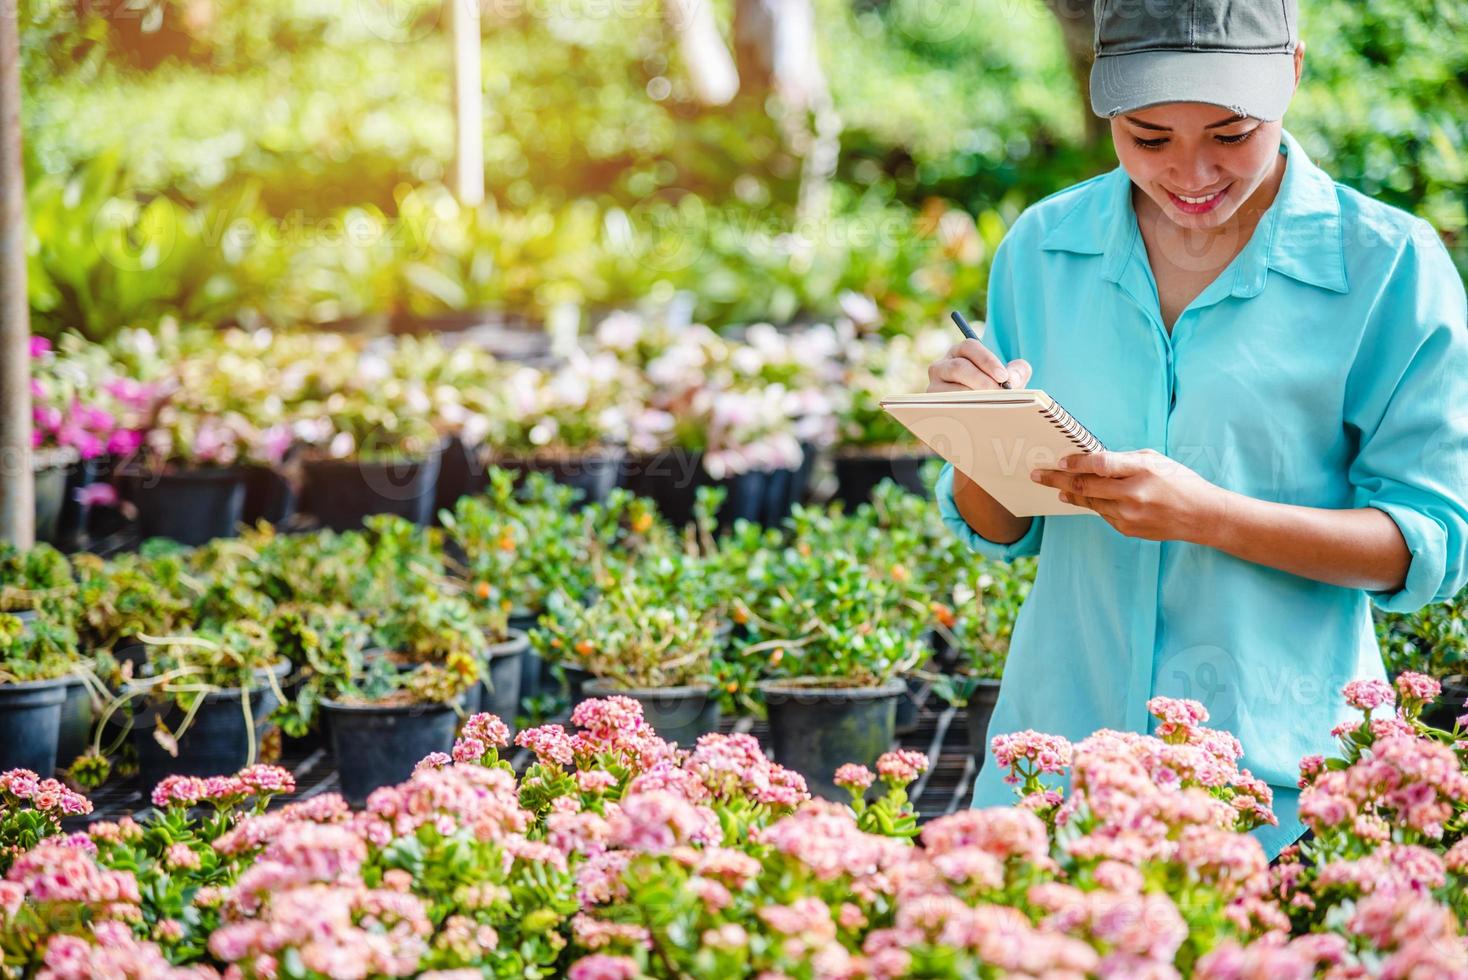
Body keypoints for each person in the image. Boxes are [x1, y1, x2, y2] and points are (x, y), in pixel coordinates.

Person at [927, 0, 1468, 858]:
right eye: (1148, 137)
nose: (1190, 172)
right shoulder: (1043, 249)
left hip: (1283, 798)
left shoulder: (1389, 267)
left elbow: (1430, 545)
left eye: (1230, 134)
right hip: (1054, 776)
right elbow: (1001, 528)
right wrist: (975, 430)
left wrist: (1206, 515)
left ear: (1292, 69)